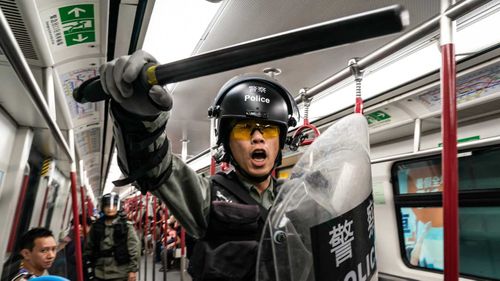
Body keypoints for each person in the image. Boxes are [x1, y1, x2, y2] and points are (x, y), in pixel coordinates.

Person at [97, 50, 299, 281]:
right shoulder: (207, 196)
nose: (258, 138)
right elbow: (155, 168)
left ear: (280, 141)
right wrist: (137, 119)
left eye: (269, 129)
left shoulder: (296, 197)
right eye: (244, 129)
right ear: (228, 142)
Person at [83, 192, 140, 281]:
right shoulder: (96, 226)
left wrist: (132, 270)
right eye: (107, 206)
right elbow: (89, 247)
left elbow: (134, 249)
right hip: (99, 272)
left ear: (118, 207)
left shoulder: (126, 226)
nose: (110, 209)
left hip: (120, 273)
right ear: (103, 207)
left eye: (113, 206)